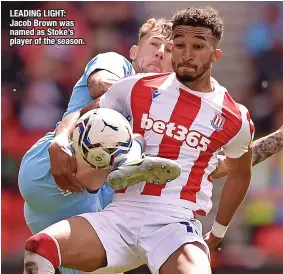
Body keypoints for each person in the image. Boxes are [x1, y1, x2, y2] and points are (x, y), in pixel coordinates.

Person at [23, 7, 257, 274]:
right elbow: (83, 113)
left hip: (174, 224)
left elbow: (239, 171)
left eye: (198, 46)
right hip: (118, 214)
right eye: (179, 45)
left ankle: (132, 158)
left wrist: (218, 231)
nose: (187, 54)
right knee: (39, 247)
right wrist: (60, 138)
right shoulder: (136, 86)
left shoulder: (234, 116)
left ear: (215, 55)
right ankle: (131, 158)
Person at [18, 18, 178, 274]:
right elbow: (99, 84)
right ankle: (131, 160)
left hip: (90, 209)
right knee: (114, 125)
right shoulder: (118, 64)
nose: (160, 52)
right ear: (135, 52)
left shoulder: (172, 112)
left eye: (169, 50)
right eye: (154, 44)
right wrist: (61, 138)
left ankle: (128, 165)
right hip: (56, 167)